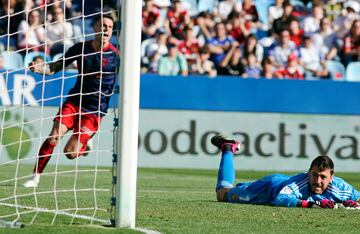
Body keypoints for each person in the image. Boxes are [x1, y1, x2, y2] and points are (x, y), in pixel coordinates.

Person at [23, 14, 119, 188]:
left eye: (109, 27)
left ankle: (85, 142)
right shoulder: (80, 48)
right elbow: (55, 67)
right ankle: (35, 177)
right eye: (102, 25)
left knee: (70, 153)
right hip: (75, 101)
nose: (105, 29)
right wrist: (39, 68)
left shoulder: (116, 56)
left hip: (94, 109)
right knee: (53, 137)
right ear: (95, 28)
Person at [211, 135, 360, 208]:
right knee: (222, 194)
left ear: (331, 178)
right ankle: (228, 148)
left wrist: (353, 203)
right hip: (269, 188)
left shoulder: (340, 187)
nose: (318, 181)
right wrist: (313, 204)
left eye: (323, 177)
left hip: (280, 185)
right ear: (308, 173)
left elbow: (358, 198)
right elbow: (280, 199)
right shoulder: (300, 183)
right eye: (314, 175)